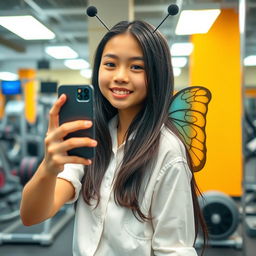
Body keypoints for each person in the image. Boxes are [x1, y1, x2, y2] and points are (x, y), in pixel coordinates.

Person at [20, 20, 207, 256]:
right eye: (110, 64)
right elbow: (32, 215)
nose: (120, 76)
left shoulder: (168, 152)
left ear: (157, 74)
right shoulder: (90, 139)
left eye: (136, 67)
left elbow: (174, 251)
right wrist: (48, 166)